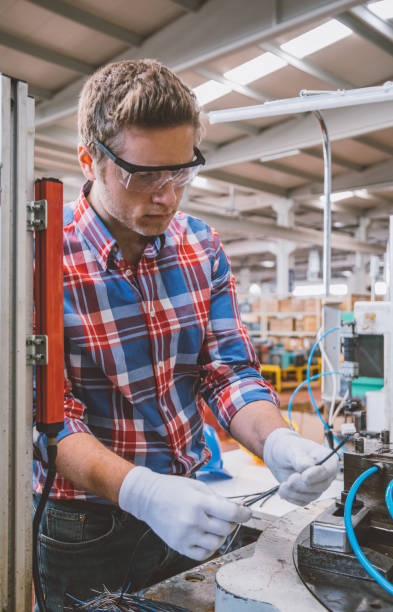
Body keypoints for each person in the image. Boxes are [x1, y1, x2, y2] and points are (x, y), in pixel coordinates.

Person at [33, 59, 338, 611]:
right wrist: (141, 491)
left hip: (197, 509)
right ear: (90, 160)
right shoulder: (41, 260)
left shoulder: (200, 245)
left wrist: (277, 441)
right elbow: (49, 417)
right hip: (86, 529)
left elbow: (227, 371)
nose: (168, 196)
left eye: (180, 172)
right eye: (145, 175)